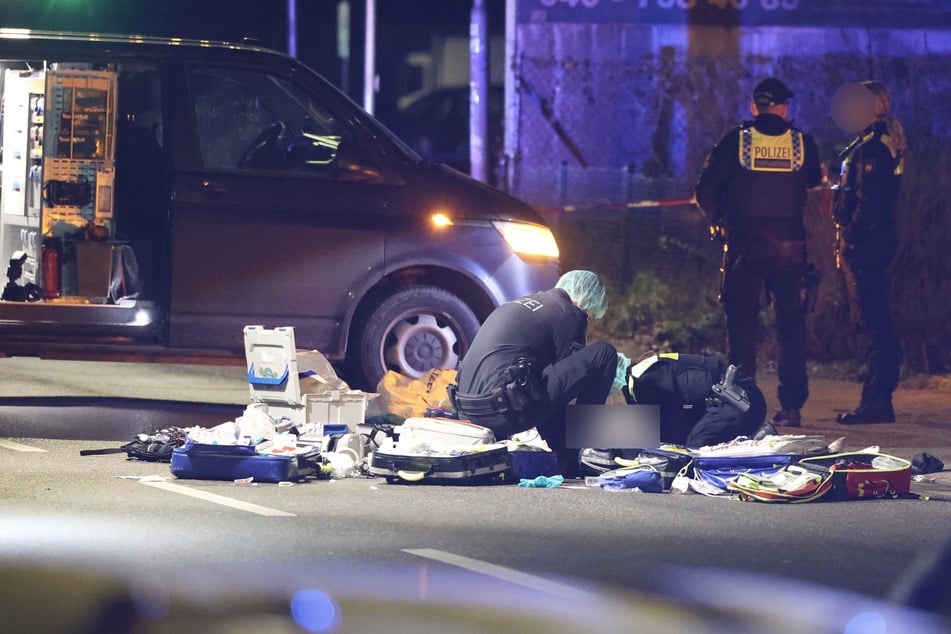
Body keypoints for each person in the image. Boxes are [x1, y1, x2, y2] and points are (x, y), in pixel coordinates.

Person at [694, 77, 823, 428]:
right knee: (790, 327)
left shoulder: (735, 141)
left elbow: (704, 188)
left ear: (754, 107)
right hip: (789, 248)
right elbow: (815, 181)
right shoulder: (802, 144)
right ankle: (792, 406)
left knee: (741, 327)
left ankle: (744, 405)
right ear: (784, 108)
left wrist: (718, 220)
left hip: (744, 245)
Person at [449, 270, 617, 466]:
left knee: (538, 381)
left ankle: (569, 454)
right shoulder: (570, 314)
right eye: (589, 316)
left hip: (467, 412)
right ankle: (586, 450)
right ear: (584, 300)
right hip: (502, 413)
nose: (586, 320)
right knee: (604, 353)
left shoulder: (525, 304)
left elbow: (547, 381)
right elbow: (565, 390)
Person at [833, 81, 905, 424]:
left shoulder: (874, 148)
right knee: (873, 320)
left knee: (873, 322)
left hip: (867, 245)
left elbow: (870, 202)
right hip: (872, 242)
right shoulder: (869, 144)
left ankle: (877, 400)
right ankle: (878, 397)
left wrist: (852, 235)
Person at [621, 352, 769, 448]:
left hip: (740, 399)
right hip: (722, 402)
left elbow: (674, 425)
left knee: (695, 448)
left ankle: (757, 438)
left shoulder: (646, 379)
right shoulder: (634, 381)